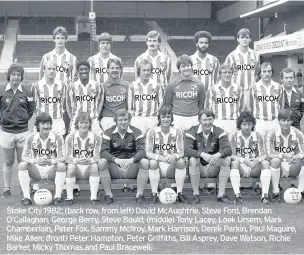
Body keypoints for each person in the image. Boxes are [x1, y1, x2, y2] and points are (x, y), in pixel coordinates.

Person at [98, 109, 149, 204]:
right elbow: (103, 152)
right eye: (120, 120)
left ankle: (140, 195)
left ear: (129, 120)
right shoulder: (108, 132)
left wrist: (132, 160)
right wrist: (115, 159)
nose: (123, 122)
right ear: (116, 121)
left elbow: (142, 151)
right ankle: (108, 195)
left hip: (131, 167)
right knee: (102, 162)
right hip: (115, 167)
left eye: (126, 119)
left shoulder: (137, 131)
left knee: (145, 162)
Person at [0, 63, 36, 197]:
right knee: (9, 161)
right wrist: (3, 119)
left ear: (21, 76)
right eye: (13, 74)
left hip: (23, 132)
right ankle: (7, 188)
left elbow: (31, 108)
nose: (16, 77)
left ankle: (24, 188)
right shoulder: (2, 90)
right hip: (7, 132)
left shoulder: (27, 91)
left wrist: (25, 117)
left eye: (18, 75)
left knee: (23, 161)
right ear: (9, 75)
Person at [184, 109, 233, 204]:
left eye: (210, 119)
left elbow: (228, 149)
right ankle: (196, 194)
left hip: (213, 166)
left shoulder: (219, 131)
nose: (207, 122)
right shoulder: (192, 131)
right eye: (205, 120)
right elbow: (186, 150)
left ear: (213, 119)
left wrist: (219, 154)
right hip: (199, 167)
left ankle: (221, 195)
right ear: (199, 120)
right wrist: (201, 154)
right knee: (193, 160)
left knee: (227, 159)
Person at [18, 113, 66, 205]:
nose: (46, 126)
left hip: (52, 169)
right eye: (43, 124)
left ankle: (57, 198)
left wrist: (51, 161)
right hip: (37, 170)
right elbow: (24, 156)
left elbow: (63, 157)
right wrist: (34, 161)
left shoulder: (57, 137)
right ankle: (27, 197)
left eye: (48, 123)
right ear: (38, 125)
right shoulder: (31, 137)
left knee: (61, 166)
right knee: (22, 165)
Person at [39, 26, 77, 138]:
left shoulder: (72, 58)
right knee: (46, 131)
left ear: (66, 40)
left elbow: (74, 79)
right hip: (50, 98)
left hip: (64, 99)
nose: (60, 40)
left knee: (63, 130)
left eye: (62, 37)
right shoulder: (46, 57)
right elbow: (41, 77)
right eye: (58, 37)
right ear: (53, 39)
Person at [229, 111, 272, 205]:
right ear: (239, 125)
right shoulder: (233, 136)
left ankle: (264, 196)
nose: (247, 127)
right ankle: (237, 195)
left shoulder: (258, 136)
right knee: (234, 163)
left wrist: (257, 160)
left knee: (265, 163)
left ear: (253, 125)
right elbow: (231, 155)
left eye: (249, 124)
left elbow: (264, 154)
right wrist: (243, 160)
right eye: (244, 124)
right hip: (240, 166)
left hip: (254, 167)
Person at [146, 106, 186, 203]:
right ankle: (154, 193)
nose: (166, 119)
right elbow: (148, 152)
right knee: (153, 162)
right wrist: (159, 157)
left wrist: (175, 156)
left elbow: (181, 151)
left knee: (181, 162)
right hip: (158, 165)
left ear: (171, 118)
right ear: (159, 118)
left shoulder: (177, 132)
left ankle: (179, 193)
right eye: (163, 117)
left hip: (171, 166)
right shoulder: (152, 132)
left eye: (168, 117)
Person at [266, 109, 304, 202]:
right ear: (279, 121)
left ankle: (300, 192)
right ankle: (276, 192)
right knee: (275, 161)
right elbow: (269, 153)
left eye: (288, 120)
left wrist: (297, 156)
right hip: (279, 165)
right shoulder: (271, 134)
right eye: (283, 120)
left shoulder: (298, 133)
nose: (286, 123)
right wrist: (284, 155)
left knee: (302, 161)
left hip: (293, 165)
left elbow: (302, 151)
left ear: (292, 121)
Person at [65, 112, 102, 205]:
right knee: (71, 166)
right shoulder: (70, 137)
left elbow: (98, 155)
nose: (84, 125)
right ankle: (69, 197)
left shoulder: (96, 137)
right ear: (77, 123)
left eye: (86, 122)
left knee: (94, 166)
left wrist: (90, 160)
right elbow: (67, 156)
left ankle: (93, 197)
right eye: (81, 122)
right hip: (76, 168)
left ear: (90, 123)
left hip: (88, 169)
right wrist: (76, 161)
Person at [164, 54, 205, 133]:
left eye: (188, 66)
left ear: (192, 66)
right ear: (179, 69)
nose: (186, 68)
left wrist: (197, 118)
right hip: (177, 118)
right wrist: (173, 118)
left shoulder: (199, 84)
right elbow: (168, 104)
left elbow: (201, 104)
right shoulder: (172, 84)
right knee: (178, 143)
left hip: (194, 118)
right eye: (183, 66)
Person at [66, 60, 103, 135]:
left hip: (93, 121)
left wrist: (96, 115)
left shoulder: (97, 85)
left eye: (86, 69)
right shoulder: (72, 86)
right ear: (78, 71)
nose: (84, 71)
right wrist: (73, 118)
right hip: (77, 121)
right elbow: (68, 104)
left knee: (97, 142)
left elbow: (100, 102)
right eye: (81, 69)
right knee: (74, 142)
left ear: (89, 70)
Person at [225, 28, 259, 108]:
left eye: (247, 37)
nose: (244, 40)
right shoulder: (232, 55)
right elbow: (225, 74)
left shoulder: (256, 55)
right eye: (242, 37)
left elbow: (257, 73)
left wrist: (254, 85)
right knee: (236, 113)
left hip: (251, 91)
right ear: (238, 39)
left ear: (250, 39)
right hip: (236, 91)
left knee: (252, 113)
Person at [204, 63, 242, 134]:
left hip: (234, 122)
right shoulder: (213, 89)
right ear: (220, 74)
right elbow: (207, 109)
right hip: (218, 122)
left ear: (232, 74)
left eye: (229, 72)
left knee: (232, 144)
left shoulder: (238, 89)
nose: (227, 75)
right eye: (224, 72)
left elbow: (241, 108)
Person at [128, 59, 163, 134]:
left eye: (148, 70)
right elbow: (129, 107)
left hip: (152, 120)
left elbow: (161, 105)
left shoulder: (157, 86)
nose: (146, 73)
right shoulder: (132, 86)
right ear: (139, 71)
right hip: (137, 120)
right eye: (143, 70)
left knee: (151, 144)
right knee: (138, 144)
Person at [32, 60, 66, 136]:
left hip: (58, 121)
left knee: (58, 146)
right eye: (49, 69)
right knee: (42, 146)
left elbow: (64, 103)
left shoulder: (62, 85)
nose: (51, 71)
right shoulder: (36, 85)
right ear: (44, 70)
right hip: (42, 122)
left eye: (53, 69)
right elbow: (34, 105)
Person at [249, 62, 282, 137]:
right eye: (264, 71)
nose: (267, 74)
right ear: (260, 74)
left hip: (275, 122)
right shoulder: (254, 87)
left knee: (274, 146)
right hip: (260, 122)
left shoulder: (279, 87)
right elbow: (250, 107)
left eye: (269, 71)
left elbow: (281, 106)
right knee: (260, 146)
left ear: (272, 73)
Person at [99, 58, 129, 131]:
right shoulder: (102, 86)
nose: (115, 70)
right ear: (107, 70)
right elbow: (99, 107)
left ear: (120, 70)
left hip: (122, 119)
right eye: (112, 68)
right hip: (108, 119)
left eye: (117, 68)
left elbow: (129, 105)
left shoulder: (127, 85)